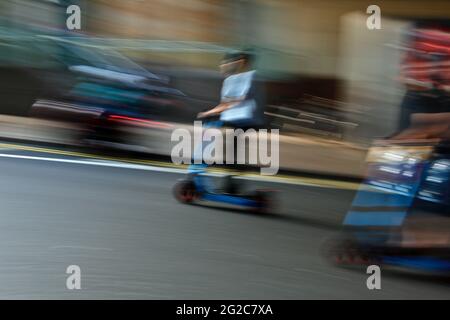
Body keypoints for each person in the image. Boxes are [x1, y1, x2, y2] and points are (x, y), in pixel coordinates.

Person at [189, 50, 267, 194]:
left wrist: (210, 112)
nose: (223, 66)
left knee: (229, 145)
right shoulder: (229, 80)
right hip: (233, 119)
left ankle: (231, 182)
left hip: (246, 119)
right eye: (222, 63)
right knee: (227, 147)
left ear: (241, 62)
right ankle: (230, 182)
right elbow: (224, 103)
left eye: (226, 63)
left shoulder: (250, 76)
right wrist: (210, 112)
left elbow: (238, 100)